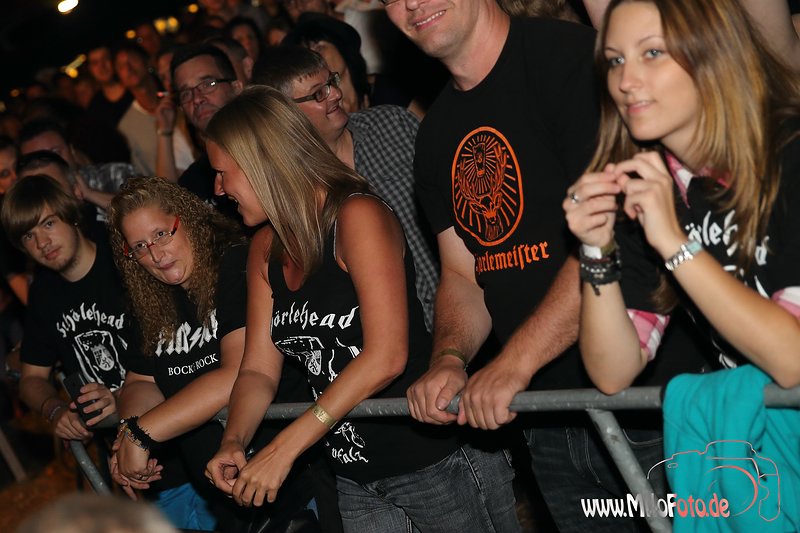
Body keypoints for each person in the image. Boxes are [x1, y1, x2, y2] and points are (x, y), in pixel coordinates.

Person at [205, 85, 519, 532]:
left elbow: (386, 357)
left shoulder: (356, 216)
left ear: (260, 161)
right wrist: (234, 440)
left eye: (222, 172)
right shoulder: (264, 248)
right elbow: (257, 370)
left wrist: (286, 447)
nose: (217, 189)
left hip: (431, 459)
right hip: (354, 474)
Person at [252, 45, 439, 329]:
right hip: (393, 336)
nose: (336, 94)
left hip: (456, 312)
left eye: (332, 81)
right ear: (286, 116)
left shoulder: (391, 124)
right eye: (319, 93)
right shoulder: (297, 191)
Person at [107, 177, 248, 532]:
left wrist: (141, 435)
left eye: (161, 234)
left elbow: (239, 373)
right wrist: (127, 432)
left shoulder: (235, 265)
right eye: (139, 246)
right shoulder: (151, 300)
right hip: (218, 491)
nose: (155, 255)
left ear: (187, 220)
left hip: (274, 476)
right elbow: (141, 382)